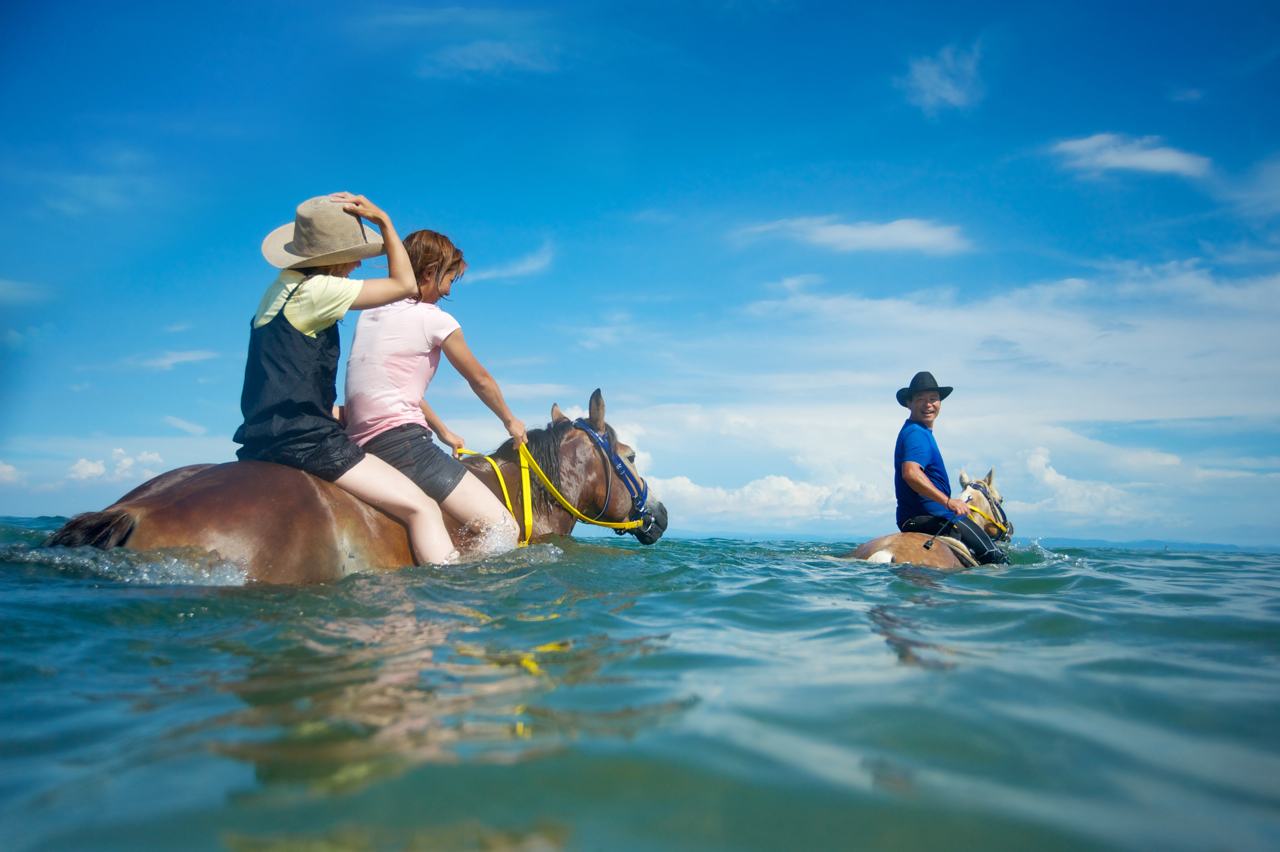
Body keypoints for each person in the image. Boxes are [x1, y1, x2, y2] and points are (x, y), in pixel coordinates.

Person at [233, 193, 457, 565]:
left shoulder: (277, 290)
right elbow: (404, 284)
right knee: (423, 508)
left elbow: (283, 379)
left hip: (258, 438)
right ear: (329, 258)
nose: (356, 263)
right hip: (306, 443)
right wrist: (385, 222)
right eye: (352, 254)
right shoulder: (319, 291)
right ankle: (450, 601)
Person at [341, 229, 524, 554]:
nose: (448, 290)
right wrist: (510, 421)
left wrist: (442, 430)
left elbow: (389, 387)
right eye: (449, 280)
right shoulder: (435, 319)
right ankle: (460, 591)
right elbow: (479, 379)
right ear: (429, 274)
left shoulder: (370, 313)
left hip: (358, 443)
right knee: (505, 528)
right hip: (405, 446)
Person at [893, 371, 1007, 564]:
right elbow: (911, 473)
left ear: (940, 403)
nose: (928, 404)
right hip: (933, 517)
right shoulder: (916, 434)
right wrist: (948, 502)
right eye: (920, 399)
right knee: (995, 557)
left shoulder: (919, 432)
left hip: (912, 518)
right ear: (909, 403)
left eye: (933, 399)